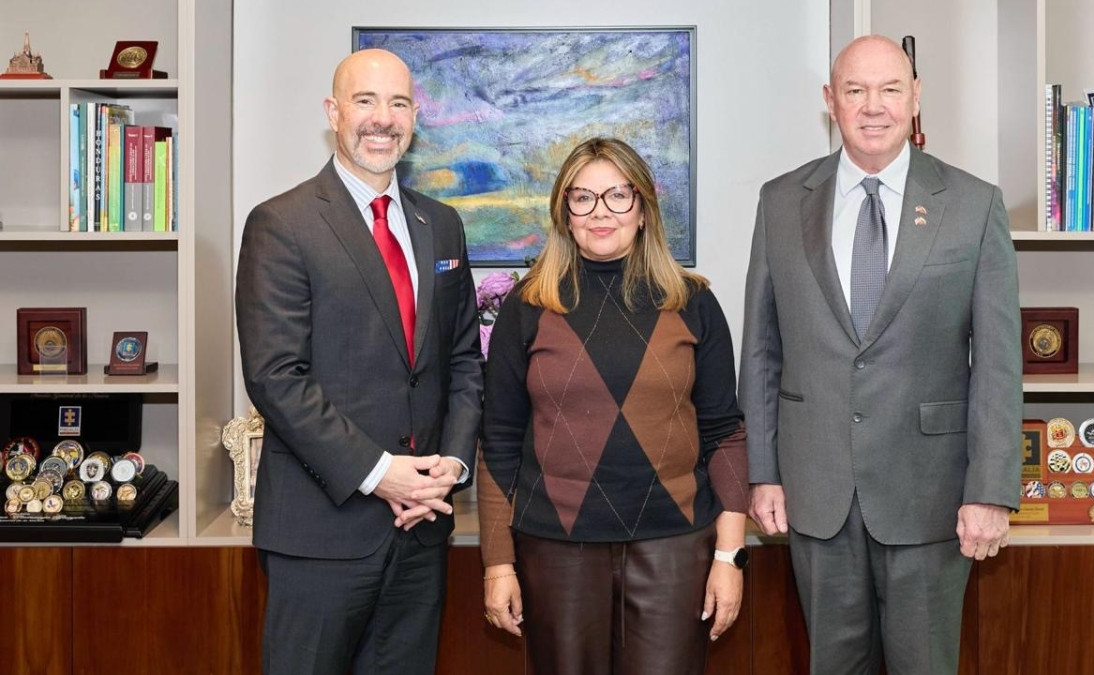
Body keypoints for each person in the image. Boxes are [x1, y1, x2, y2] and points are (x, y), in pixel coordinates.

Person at [739, 35, 1022, 674]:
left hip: (933, 496)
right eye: (855, 90)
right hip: (816, 491)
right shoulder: (781, 201)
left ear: (915, 97)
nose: (874, 106)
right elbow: (761, 348)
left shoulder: (975, 205)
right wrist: (763, 471)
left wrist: (991, 490)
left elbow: (1001, 361)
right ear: (830, 102)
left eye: (891, 89)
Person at [235, 48, 483, 675]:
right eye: (365, 100)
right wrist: (381, 473)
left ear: (415, 117)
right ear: (333, 112)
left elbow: (461, 361)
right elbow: (275, 376)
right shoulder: (281, 223)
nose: (383, 118)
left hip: (423, 529)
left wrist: (447, 468)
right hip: (322, 532)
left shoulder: (442, 225)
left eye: (398, 103)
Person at [477, 137, 749, 675]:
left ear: (643, 209)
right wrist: (497, 561)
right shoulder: (527, 305)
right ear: (564, 214)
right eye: (582, 198)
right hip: (556, 549)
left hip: (674, 547)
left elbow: (724, 433)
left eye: (618, 196)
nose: (601, 212)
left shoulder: (693, 303)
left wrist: (729, 556)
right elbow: (499, 438)